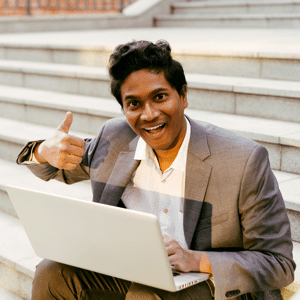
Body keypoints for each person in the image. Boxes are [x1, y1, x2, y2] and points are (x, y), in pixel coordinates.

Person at [17, 40, 295, 300]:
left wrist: (196, 259)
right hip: (134, 270)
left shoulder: (243, 160)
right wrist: (43, 150)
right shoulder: (115, 139)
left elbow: (279, 264)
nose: (148, 114)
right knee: (52, 274)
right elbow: (52, 170)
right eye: (134, 104)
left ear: (183, 95)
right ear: (124, 109)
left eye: (160, 97)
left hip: (209, 285)